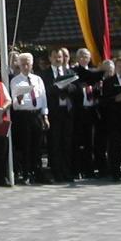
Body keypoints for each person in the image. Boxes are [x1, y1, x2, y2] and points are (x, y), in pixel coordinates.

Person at [9, 53, 48, 185]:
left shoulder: (37, 79)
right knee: (26, 145)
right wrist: (18, 100)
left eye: (28, 64)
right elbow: (14, 104)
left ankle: (37, 171)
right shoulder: (15, 81)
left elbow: (43, 98)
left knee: (37, 145)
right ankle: (26, 173)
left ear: (31, 64)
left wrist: (45, 115)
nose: (25, 66)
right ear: (19, 65)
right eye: (23, 64)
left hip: (36, 114)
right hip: (23, 115)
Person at [41, 48, 73, 183]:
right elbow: (44, 91)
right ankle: (56, 172)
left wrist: (67, 87)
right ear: (50, 58)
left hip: (66, 112)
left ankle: (67, 172)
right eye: (55, 57)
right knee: (54, 144)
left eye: (60, 57)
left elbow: (76, 88)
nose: (58, 59)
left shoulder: (69, 72)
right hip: (53, 112)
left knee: (67, 143)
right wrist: (57, 87)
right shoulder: (44, 74)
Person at [70, 48, 98, 179]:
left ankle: (90, 169)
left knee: (90, 142)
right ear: (77, 58)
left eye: (86, 56)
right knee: (78, 142)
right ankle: (77, 169)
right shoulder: (73, 72)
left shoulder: (93, 72)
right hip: (78, 111)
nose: (83, 58)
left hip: (91, 110)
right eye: (80, 56)